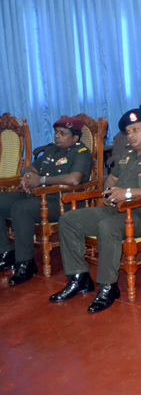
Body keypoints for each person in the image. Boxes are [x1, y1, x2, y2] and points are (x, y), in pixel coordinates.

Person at [50, 109, 141, 312]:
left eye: (136, 130)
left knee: (107, 227)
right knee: (68, 219)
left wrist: (126, 193)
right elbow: (112, 179)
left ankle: (108, 286)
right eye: (128, 131)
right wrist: (108, 193)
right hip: (117, 209)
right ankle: (78, 277)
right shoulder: (127, 154)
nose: (131, 135)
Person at [0, 117, 92, 285]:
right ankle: (6, 253)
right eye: (56, 132)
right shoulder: (51, 150)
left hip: (62, 202)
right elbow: (30, 169)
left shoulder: (81, 152)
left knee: (22, 208)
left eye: (62, 133)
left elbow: (74, 179)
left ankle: (25, 263)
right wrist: (26, 178)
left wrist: (41, 180)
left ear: (75, 138)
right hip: (38, 197)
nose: (57, 136)